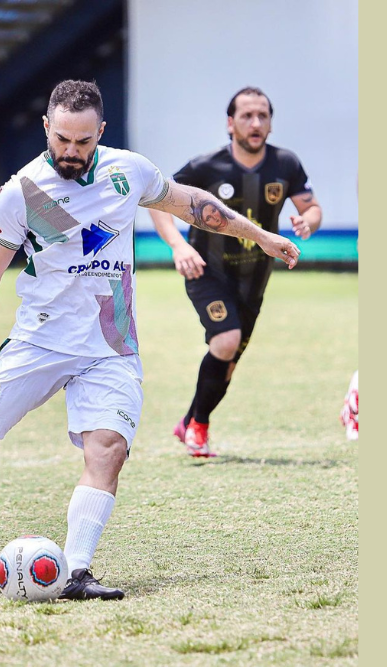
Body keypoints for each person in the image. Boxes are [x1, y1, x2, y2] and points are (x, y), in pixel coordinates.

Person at [0, 81, 300, 600]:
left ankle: (77, 571)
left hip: (112, 346)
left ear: (100, 133)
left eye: (83, 142)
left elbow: (192, 204)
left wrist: (262, 236)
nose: (70, 151)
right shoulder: (22, 192)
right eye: (62, 139)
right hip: (40, 342)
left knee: (107, 449)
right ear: (46, 128)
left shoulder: (128, 171)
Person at [149, 86, 322, 458]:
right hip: (206, 272)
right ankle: (199, 428)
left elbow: (312, 207)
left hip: (255, 280)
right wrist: (179, 246)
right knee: (226, 341)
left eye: (263, 115)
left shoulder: (286, 164)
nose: (255, 122)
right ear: (231, 123)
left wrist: (307, 222)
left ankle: (191, 421)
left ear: (271, 124)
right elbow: (158, 201)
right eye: (246, 115)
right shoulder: (205, 166)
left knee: (226, 363)